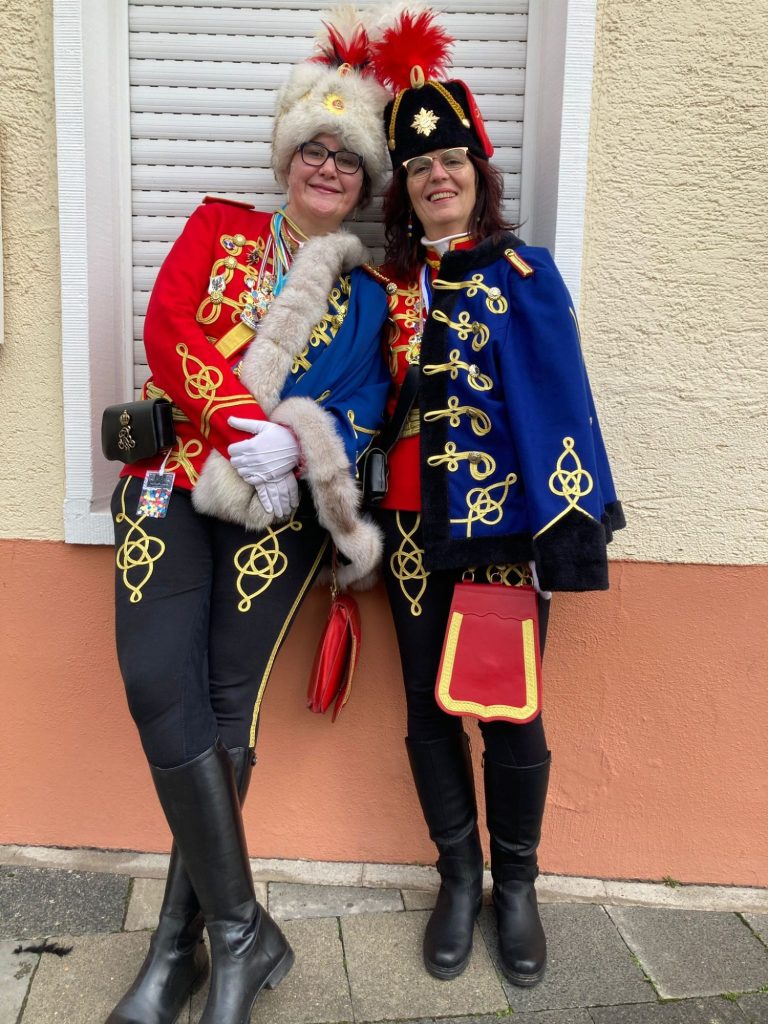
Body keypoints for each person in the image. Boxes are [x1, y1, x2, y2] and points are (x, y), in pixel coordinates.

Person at [106, 15, 391, 1024]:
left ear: (366, 182)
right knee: (156, 682)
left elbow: (368, 403)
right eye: (314, 148)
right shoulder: (218, 229)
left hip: (276, 512)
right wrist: (239, 424)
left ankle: (178, 951)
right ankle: (240, 931)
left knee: (230, 707)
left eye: (347, 157)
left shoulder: (369, 298)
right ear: (286, 158)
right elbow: (168, 328)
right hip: (175, 476)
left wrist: (302, 445)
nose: (328, 166)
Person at [367, 9, 626, 988]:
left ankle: (516, 884)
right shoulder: (385, 287)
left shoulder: (524, 274)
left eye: (453, 161)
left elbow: (560, 404)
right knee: (425, 706)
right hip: (405, 529)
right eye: (420, 166)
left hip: (500, 534)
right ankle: (458, 875)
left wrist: (562, 534)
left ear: (479, 173)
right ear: (404, 187)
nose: (438, 175)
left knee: (508, 709)